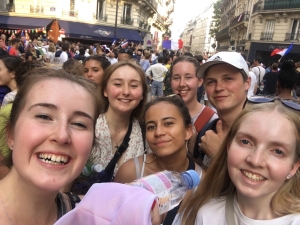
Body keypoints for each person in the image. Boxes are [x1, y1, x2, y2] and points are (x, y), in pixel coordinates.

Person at [0, 68, 102, 224]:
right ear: (11, 134)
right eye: (44, 116)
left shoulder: (91, 217)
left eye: (79, 124)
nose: (62, 136)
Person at [177, 99, 300, 225]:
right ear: (229, 146)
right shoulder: (207, 215)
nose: (255, 160)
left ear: (293, 166)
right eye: (245, 142)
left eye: (278, 151)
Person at [115, 95, 202, 225]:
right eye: (151, 126)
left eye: (168, 123)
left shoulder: (203, 181)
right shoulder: (131, 171)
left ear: (188, 131)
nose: (158, 132)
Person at [86, 61, 148, 180]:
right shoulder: (88, 125)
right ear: (105, 90)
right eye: (118, 84)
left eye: (134, 86)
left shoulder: (146, 133)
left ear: (142, 94)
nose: (125, 92)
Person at [194, 52, 250, 167]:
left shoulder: (263, 133)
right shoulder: (206, 132)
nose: (219, 87)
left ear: (247, 83)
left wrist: (219, 155)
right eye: (211, 82)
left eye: (228, 79)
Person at [170, 56, 217, 134]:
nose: (182, 84)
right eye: (176, 78)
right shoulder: (159, 114)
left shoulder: (211, 120)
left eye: (188, 77)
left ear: (200, 81)